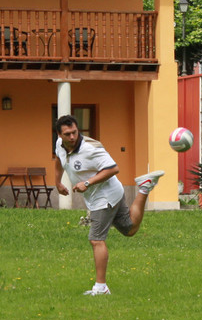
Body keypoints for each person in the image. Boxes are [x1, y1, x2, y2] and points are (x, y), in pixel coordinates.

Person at [53, 114, 163, 296]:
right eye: (67, 134)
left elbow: (113, 169)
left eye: (74, 132)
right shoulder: (60, 145)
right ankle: (144, 188)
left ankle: (101, 287)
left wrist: (87, 183)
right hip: (111, 193)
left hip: (103, 197)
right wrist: (58, 182)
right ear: (60, 135)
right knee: (130, 229)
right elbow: (59, 160)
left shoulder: (91, 148)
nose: (72, 137)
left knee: (96, 239)